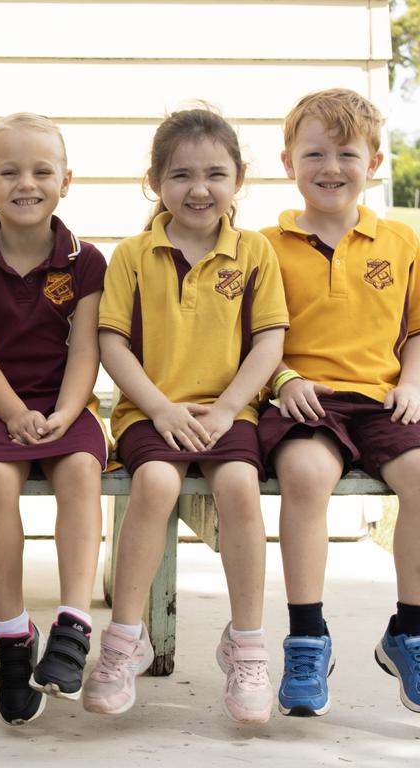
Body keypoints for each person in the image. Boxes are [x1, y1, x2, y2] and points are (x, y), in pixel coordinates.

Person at [85, 108, 288, 724]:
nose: (199, 189)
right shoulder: (132, 255)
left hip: (232, 413)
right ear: (155, 181)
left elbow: (269, 341)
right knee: (154, 483)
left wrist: (229, 409)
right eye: (181, 175)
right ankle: (124, 642)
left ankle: (246, 643)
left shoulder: (254, 252)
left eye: (215, 174)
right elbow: (112, 343)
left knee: (239, 487)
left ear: (239, 179)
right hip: (152, 409)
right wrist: (160, 406)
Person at [0, 113, 107, 725]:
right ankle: (12, 634)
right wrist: (13, 414)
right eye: (8, 171)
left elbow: (86, 348)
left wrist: (63, 414)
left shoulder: (86, 262)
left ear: (67, 179)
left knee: (82, 473)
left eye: (41, 170)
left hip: (67, 403)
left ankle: (73, 623)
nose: (25, 183)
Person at [258, 88, 420, 717]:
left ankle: (408, 631)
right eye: (314, 153)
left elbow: (414, 331)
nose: (331, 167)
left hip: (383, 398)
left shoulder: (401, 242)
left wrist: (412, 385)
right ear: (287, 162)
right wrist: (285, 379)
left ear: (375, 162)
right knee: (303, 476)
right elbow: (253, 337)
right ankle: (307, 635)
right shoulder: (264, 246)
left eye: (347, 153)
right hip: (306, 400)